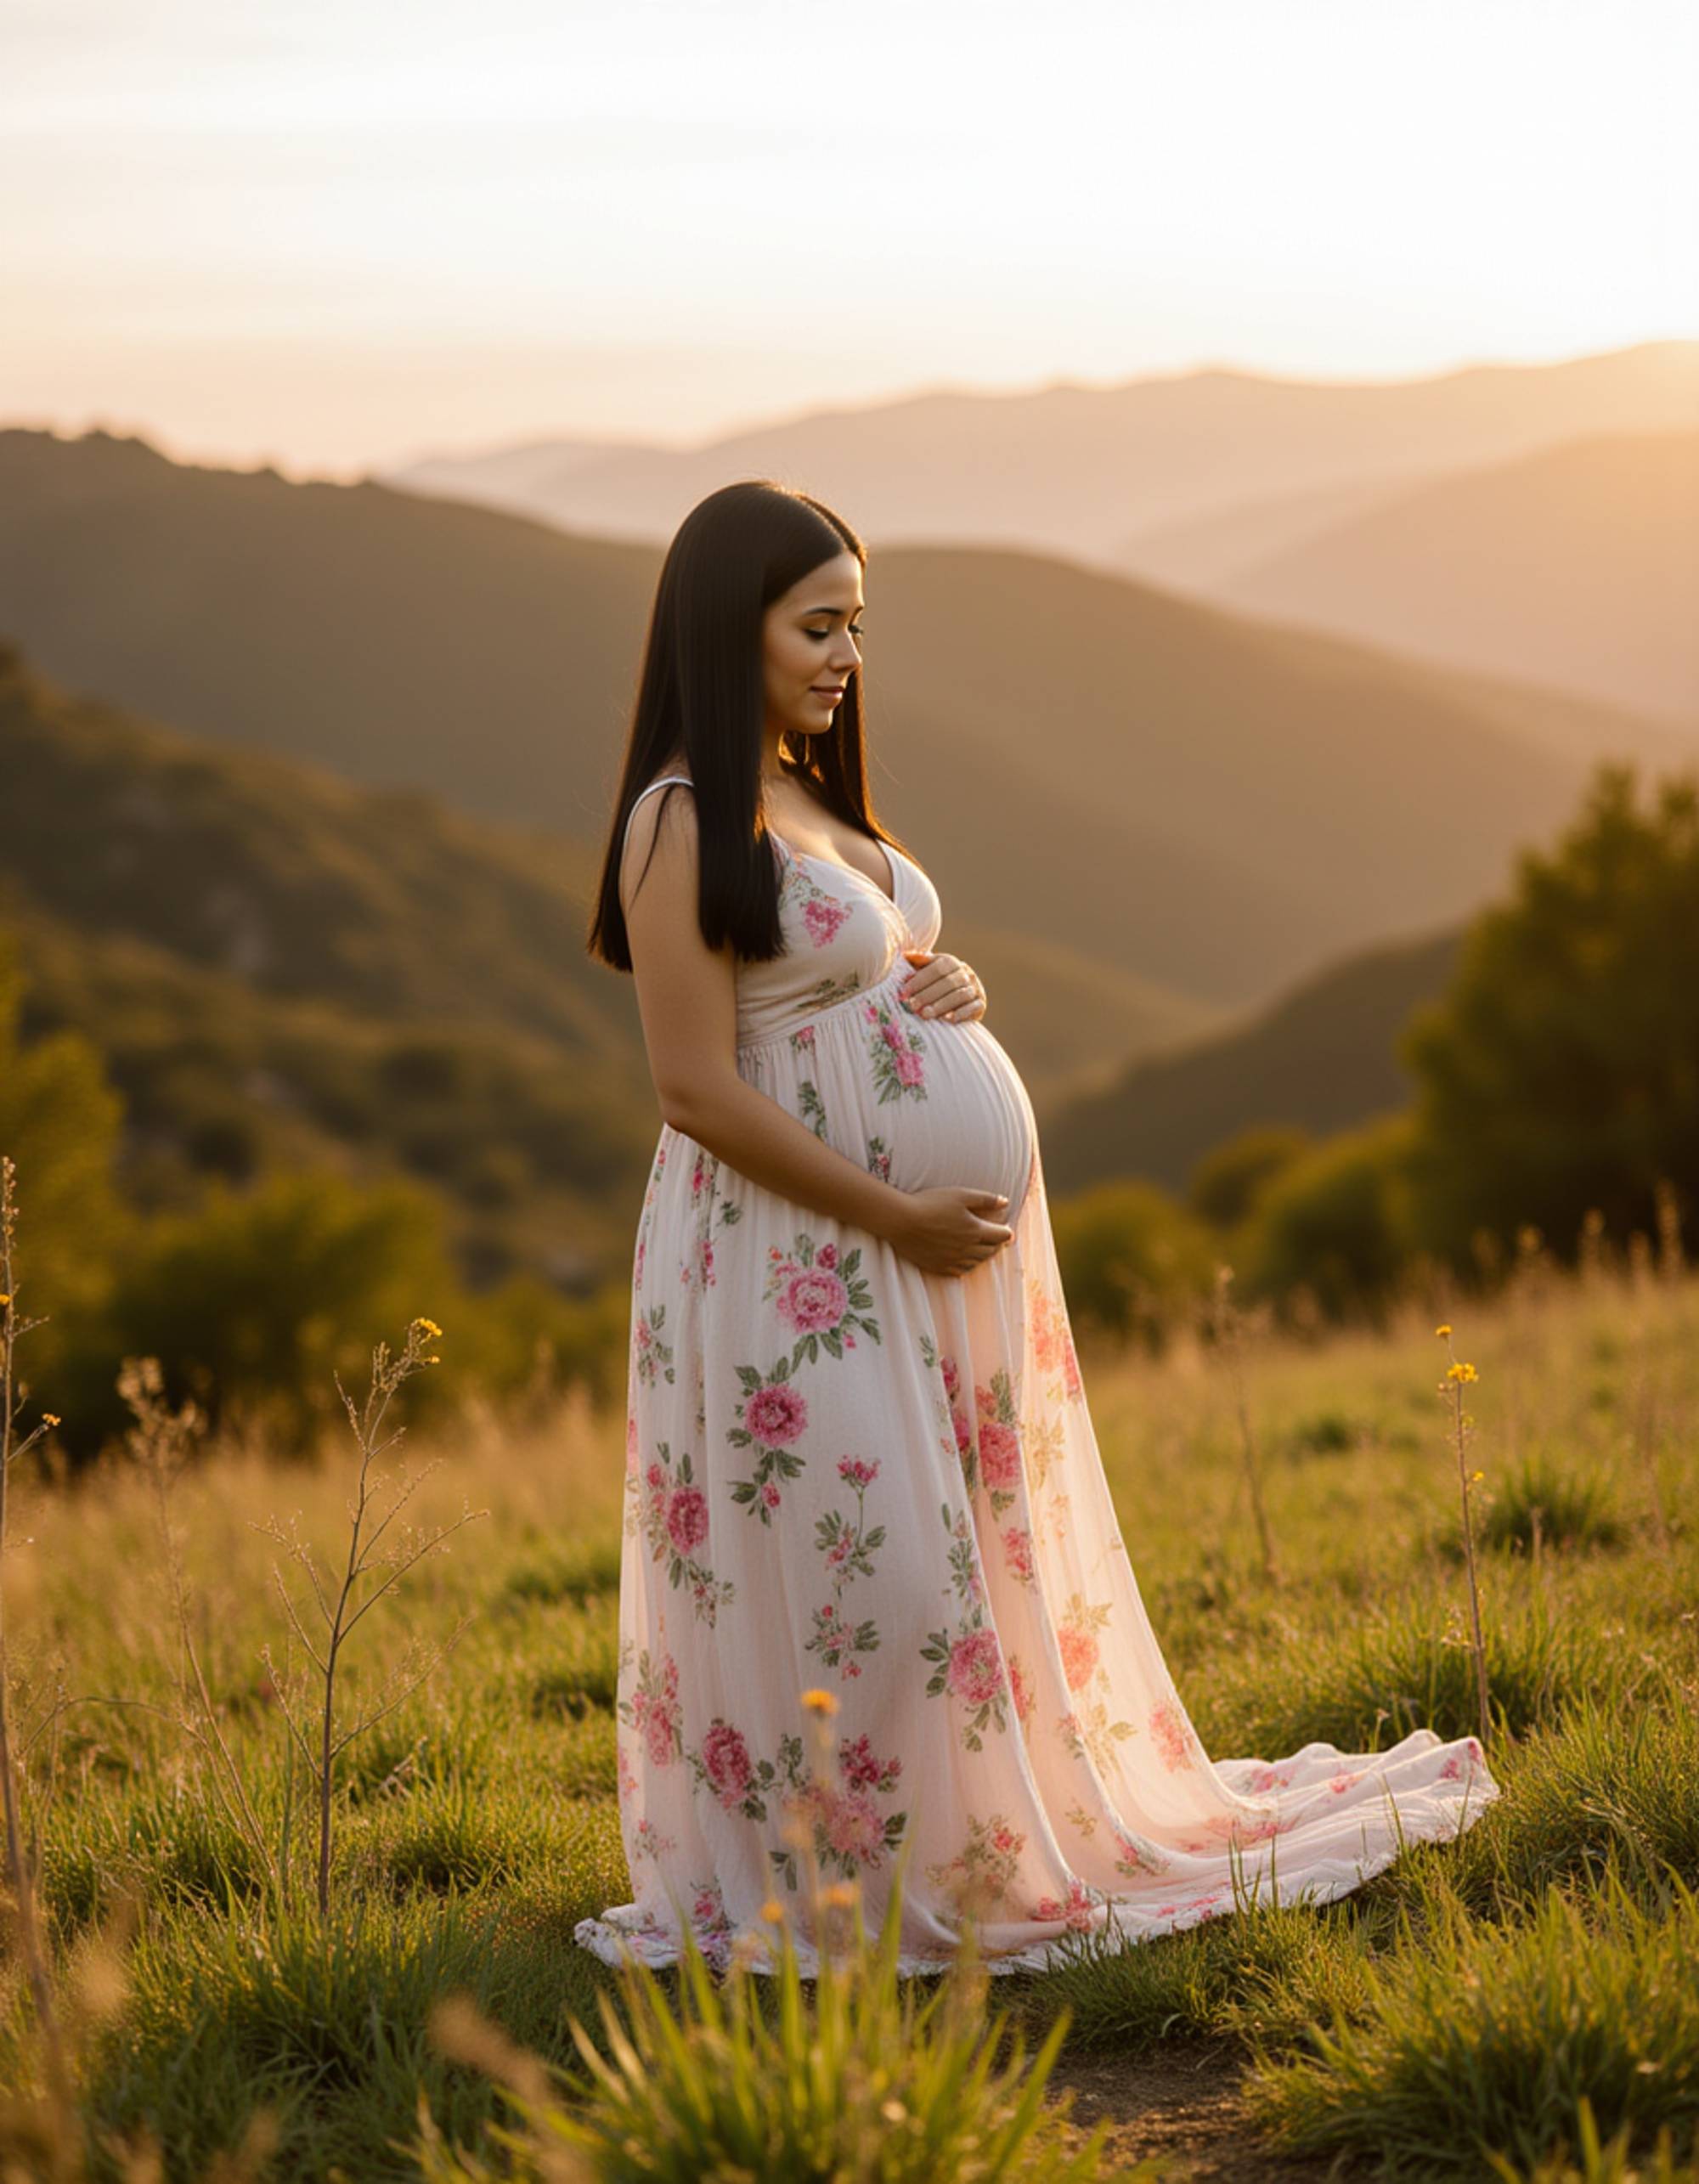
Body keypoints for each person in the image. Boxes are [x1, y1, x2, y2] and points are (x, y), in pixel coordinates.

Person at [575, 478, 1498, 1977]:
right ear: (720, 625)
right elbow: (691, 1085)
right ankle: (855, 1885)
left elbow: (837, 979)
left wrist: (945, 989)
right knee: (882, 1580)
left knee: (964, 1565)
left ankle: (974, 1842)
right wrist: (895, 1211)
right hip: (798, 1256)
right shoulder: (679, 817)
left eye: (857, 627)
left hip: (922, 1255)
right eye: (816, 626)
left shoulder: (808, 795)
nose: (844, 657)